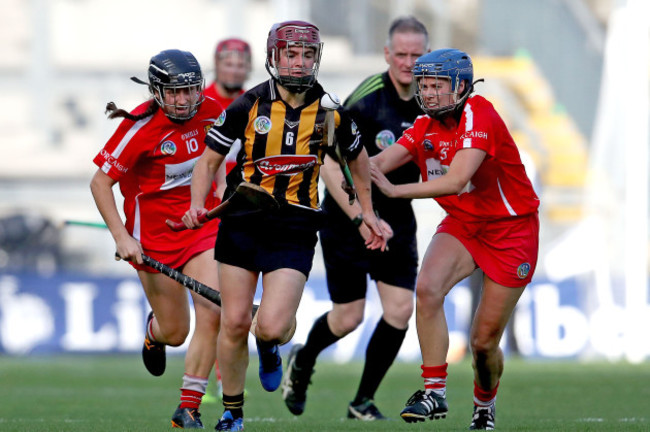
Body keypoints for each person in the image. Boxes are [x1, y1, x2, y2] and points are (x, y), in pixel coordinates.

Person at [181, 20, 387, 431]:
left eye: (307, 54)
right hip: (241, 220)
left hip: (294, 225)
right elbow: (207, 162)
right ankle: (232, 413)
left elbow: (358, 163)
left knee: (271, 326)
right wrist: (195, 206)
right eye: (291, 54)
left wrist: (367, 212)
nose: (299, 62)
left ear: (317, 58)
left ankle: (271, 345)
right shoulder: (248, 105)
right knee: (235, 321)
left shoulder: (330, 111)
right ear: (275, 57)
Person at [369, 48, 540, 430]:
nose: (429, 93)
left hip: (511, 230)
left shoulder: (480, 113)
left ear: (461, 86)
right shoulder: (422, 125)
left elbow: (456, 180)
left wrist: (395, 192)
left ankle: (484, 404)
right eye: (424, 85)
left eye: (438, 86)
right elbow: (378, 164)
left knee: (482, 344)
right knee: (427, 289)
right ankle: (434, 392)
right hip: (464, 223)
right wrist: (340, 157)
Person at [280, 16, 429, 421]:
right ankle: (304, 359)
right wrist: (363, 217)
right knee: (349, 317)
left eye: (417, 55)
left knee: (400, 309)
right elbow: (327, 163)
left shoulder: (432, 100)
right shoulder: (365, 99)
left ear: (427, 56)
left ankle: (361, 401)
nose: (409, 62)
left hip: (396, 215)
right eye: (401, 54)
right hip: (347, 215)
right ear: (387, 54)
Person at [90, 49, 225, 429]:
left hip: (200, 226)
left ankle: (188, 408)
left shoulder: (213, 111)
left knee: (213, 309)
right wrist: (120, 236)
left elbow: (217, 159)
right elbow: (100, 183)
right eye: (174, 92)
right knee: (176, 332)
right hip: (152, 240)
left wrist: (222, 195)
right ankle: (155, 332)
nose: (184, 100)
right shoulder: (138, 128)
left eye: (191, 91)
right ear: (156, 91)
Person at [202, 36, 253, 405]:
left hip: (243, 210)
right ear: (217, 64)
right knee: (210, 304)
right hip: (206, 214)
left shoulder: (254, 103)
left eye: (240, 64)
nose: (234, 69)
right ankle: (200, 380)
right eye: (228, 63)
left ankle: (220, 379)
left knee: (227, 304)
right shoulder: (198, 102)